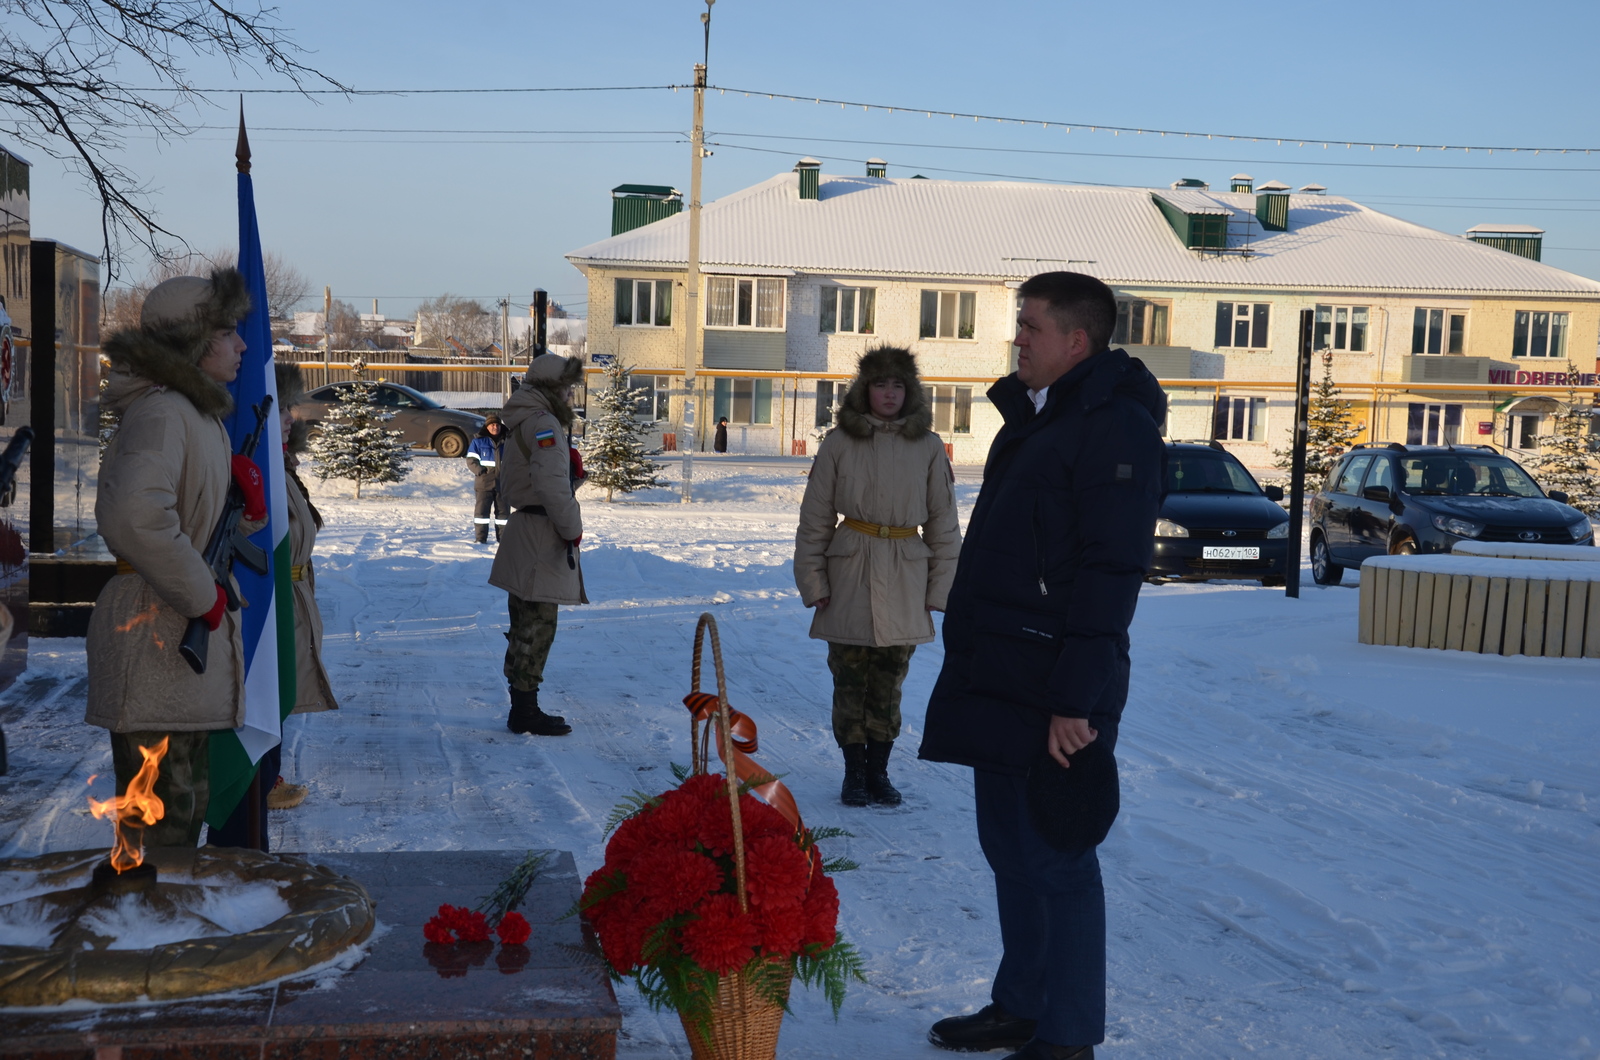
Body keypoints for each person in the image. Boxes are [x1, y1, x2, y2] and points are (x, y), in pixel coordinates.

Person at [919, 272, 1166, 1060]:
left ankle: (1067, 1039)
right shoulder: (1037, 419)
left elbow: (1110, 572)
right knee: (1008, 850)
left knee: (1056, 858)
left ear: (1076, 341)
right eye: (1017, 324)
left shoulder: (1114, 429)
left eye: (1029, 326)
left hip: (1057, 683)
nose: (1016, 338)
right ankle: (1020, 1005)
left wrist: (1076, 700)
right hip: (1003, 669)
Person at [85, 270, 264, 848]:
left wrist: (244, 508)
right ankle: (150, 937)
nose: (242, 345)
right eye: (228, 332)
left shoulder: (195, 415)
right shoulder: (166, 414)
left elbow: (186, 522)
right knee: (159, 827)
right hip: (155, 630)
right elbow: (135, 519)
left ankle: (166, 931)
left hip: (171, 636)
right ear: (193, 340)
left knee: (181, 813)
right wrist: (202, 593)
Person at [794, 346, 960, 807]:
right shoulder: (838, 443)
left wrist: (940, 587)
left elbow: (945, 523)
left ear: (910, 392)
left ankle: (879, 773)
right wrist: (814, 581)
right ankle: (853, 774)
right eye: (880, 384)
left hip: (906, 573)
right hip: (850, 570)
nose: (889, 394)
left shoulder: (927, 446)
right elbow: (815, 518)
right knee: (849, 679)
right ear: (864, 391)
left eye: (898, 385)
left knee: (890, 681)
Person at [489, 352, 587, 737]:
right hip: (539, 534)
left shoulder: (527, 419)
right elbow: (549, 487)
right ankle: (525, 711)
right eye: (567, 388)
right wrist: (572, 527)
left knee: (526, 620)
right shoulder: (543, 422)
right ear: (552, 388)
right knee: (537, 624)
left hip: (527, 529)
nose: (571, 395)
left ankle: (523, 705)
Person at [266, 361, 339, 810]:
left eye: (290, 407)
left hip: (290, 596)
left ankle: (265, 778)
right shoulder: (264, 464)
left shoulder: (281, 465)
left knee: (277, 697)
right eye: (280, 408)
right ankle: (258, 782)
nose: (291, 416)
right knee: (266, 695)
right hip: (270, 600)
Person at [467, 412, 508, 543]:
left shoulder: (508, 441)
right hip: (484, 483)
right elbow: (471, 460)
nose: (495, 427)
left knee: (503, 515)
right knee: (481, 514)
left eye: (497, 425)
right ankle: (480, 539)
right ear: (487, 427)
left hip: (503, 484)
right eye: (492, 425)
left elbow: (515, 461)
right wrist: (480, 471)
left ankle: (503, 540)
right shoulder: (478, 442)